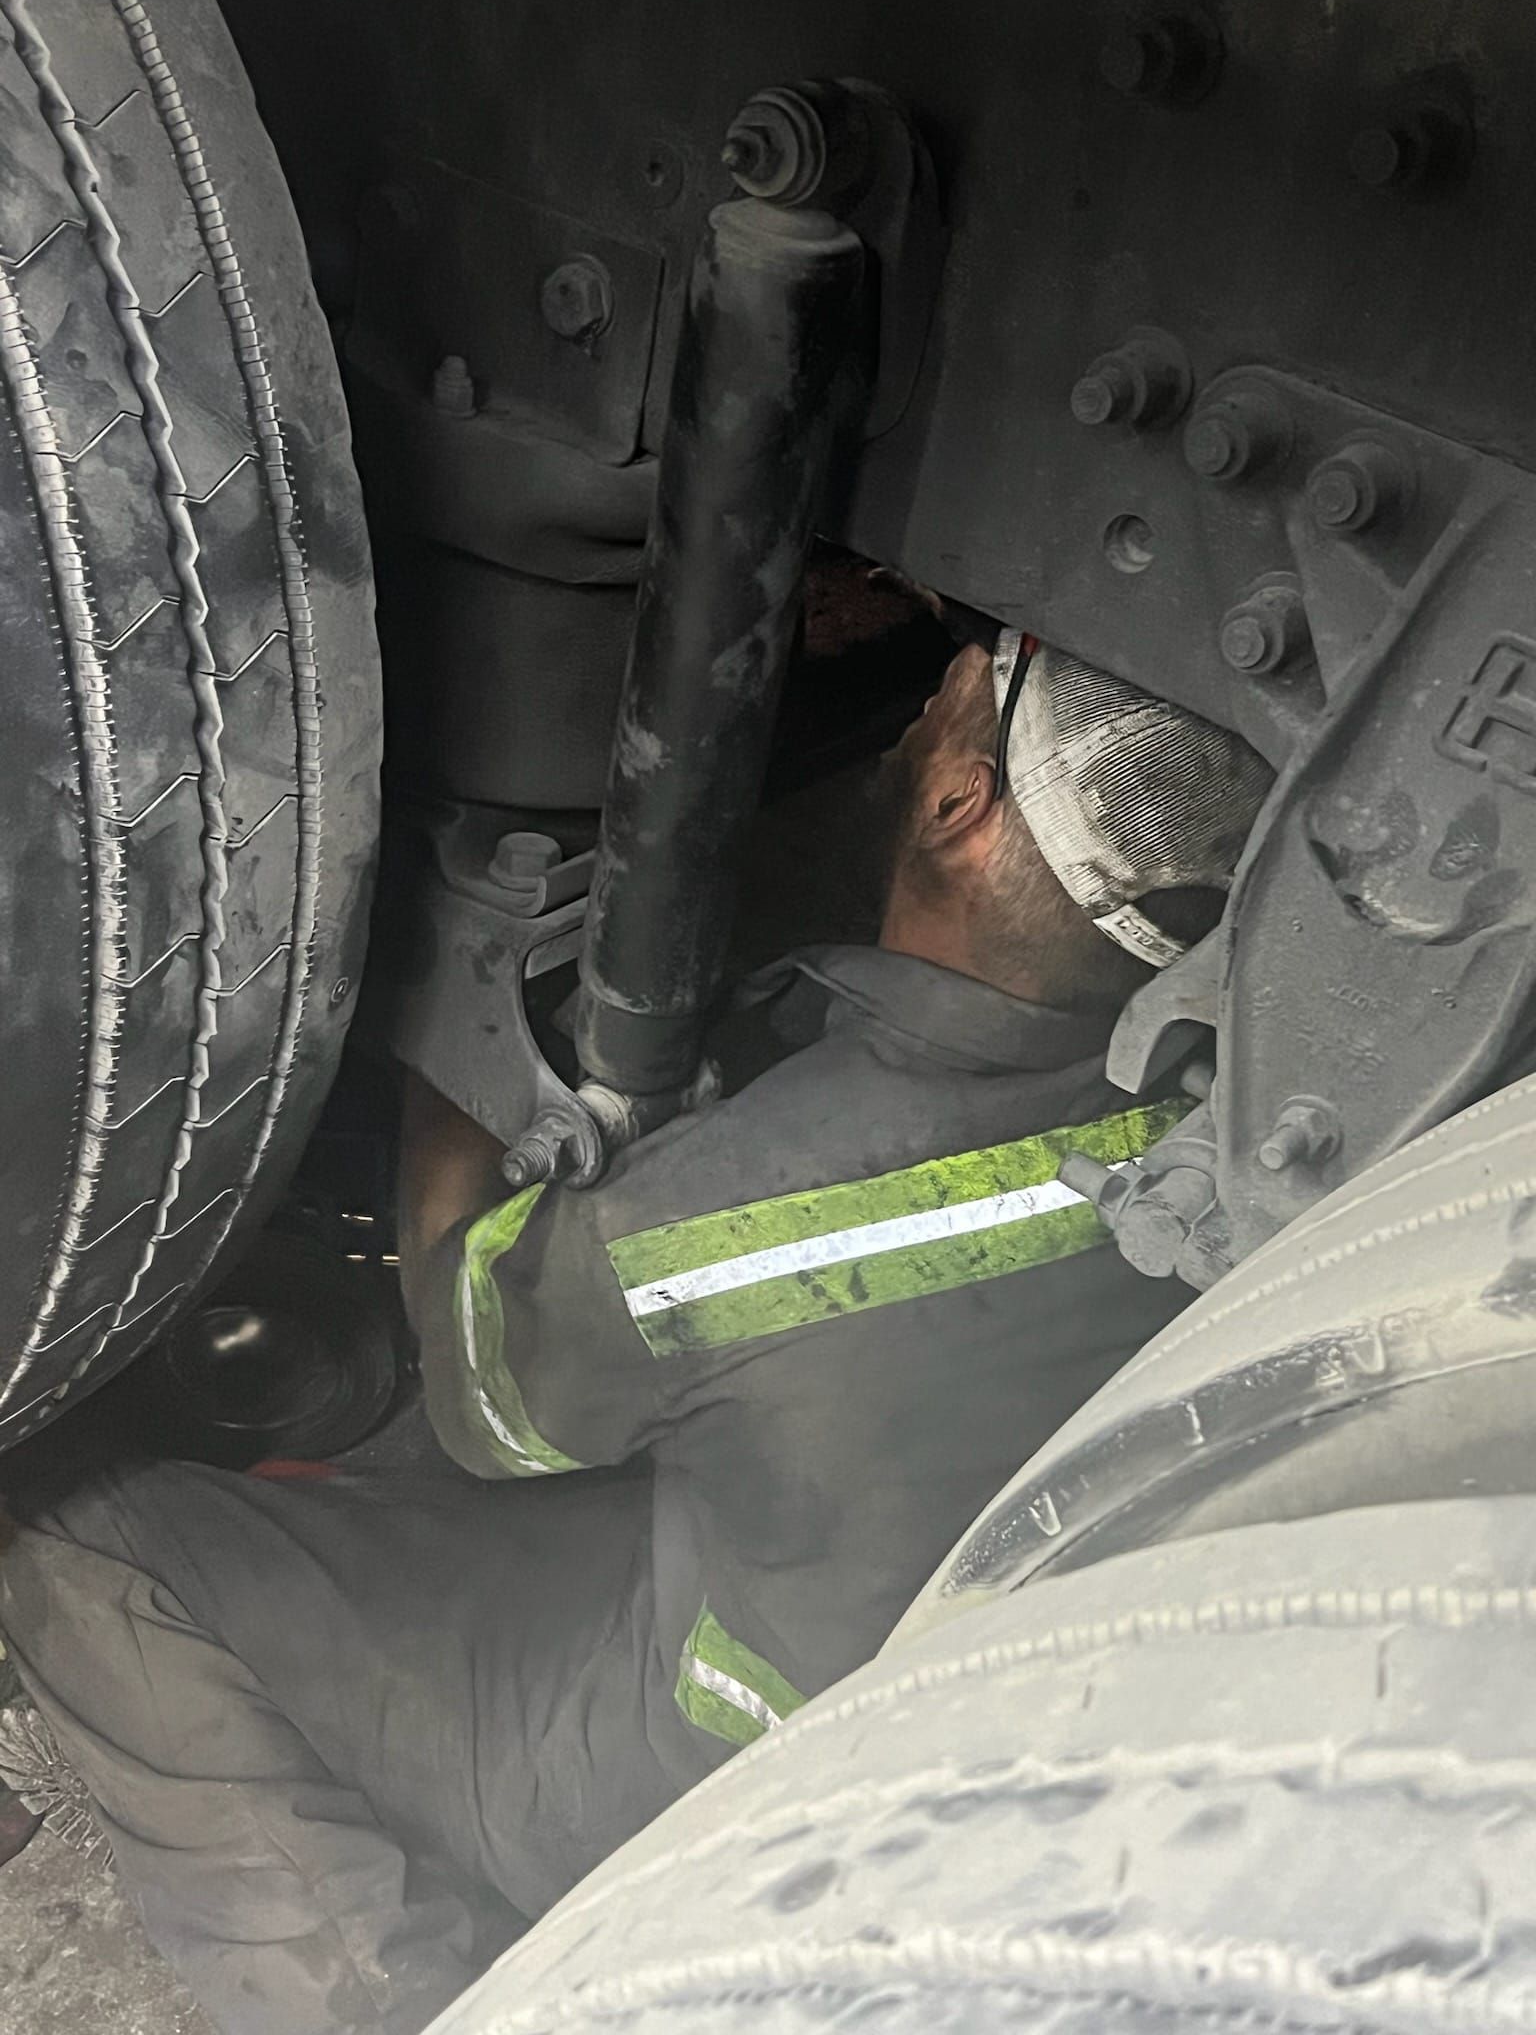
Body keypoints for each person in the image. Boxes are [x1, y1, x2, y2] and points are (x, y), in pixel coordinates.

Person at [0, 628, 1270, 2035]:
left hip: (720, 1778)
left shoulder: (751, 1216)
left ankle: (393, 2000)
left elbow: (486, 1406)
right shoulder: (1235, 1094)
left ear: (964, 809)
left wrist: (455, 1032)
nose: (939, 676)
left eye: (977, 675)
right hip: (938, 1665)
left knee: (84, 1543)